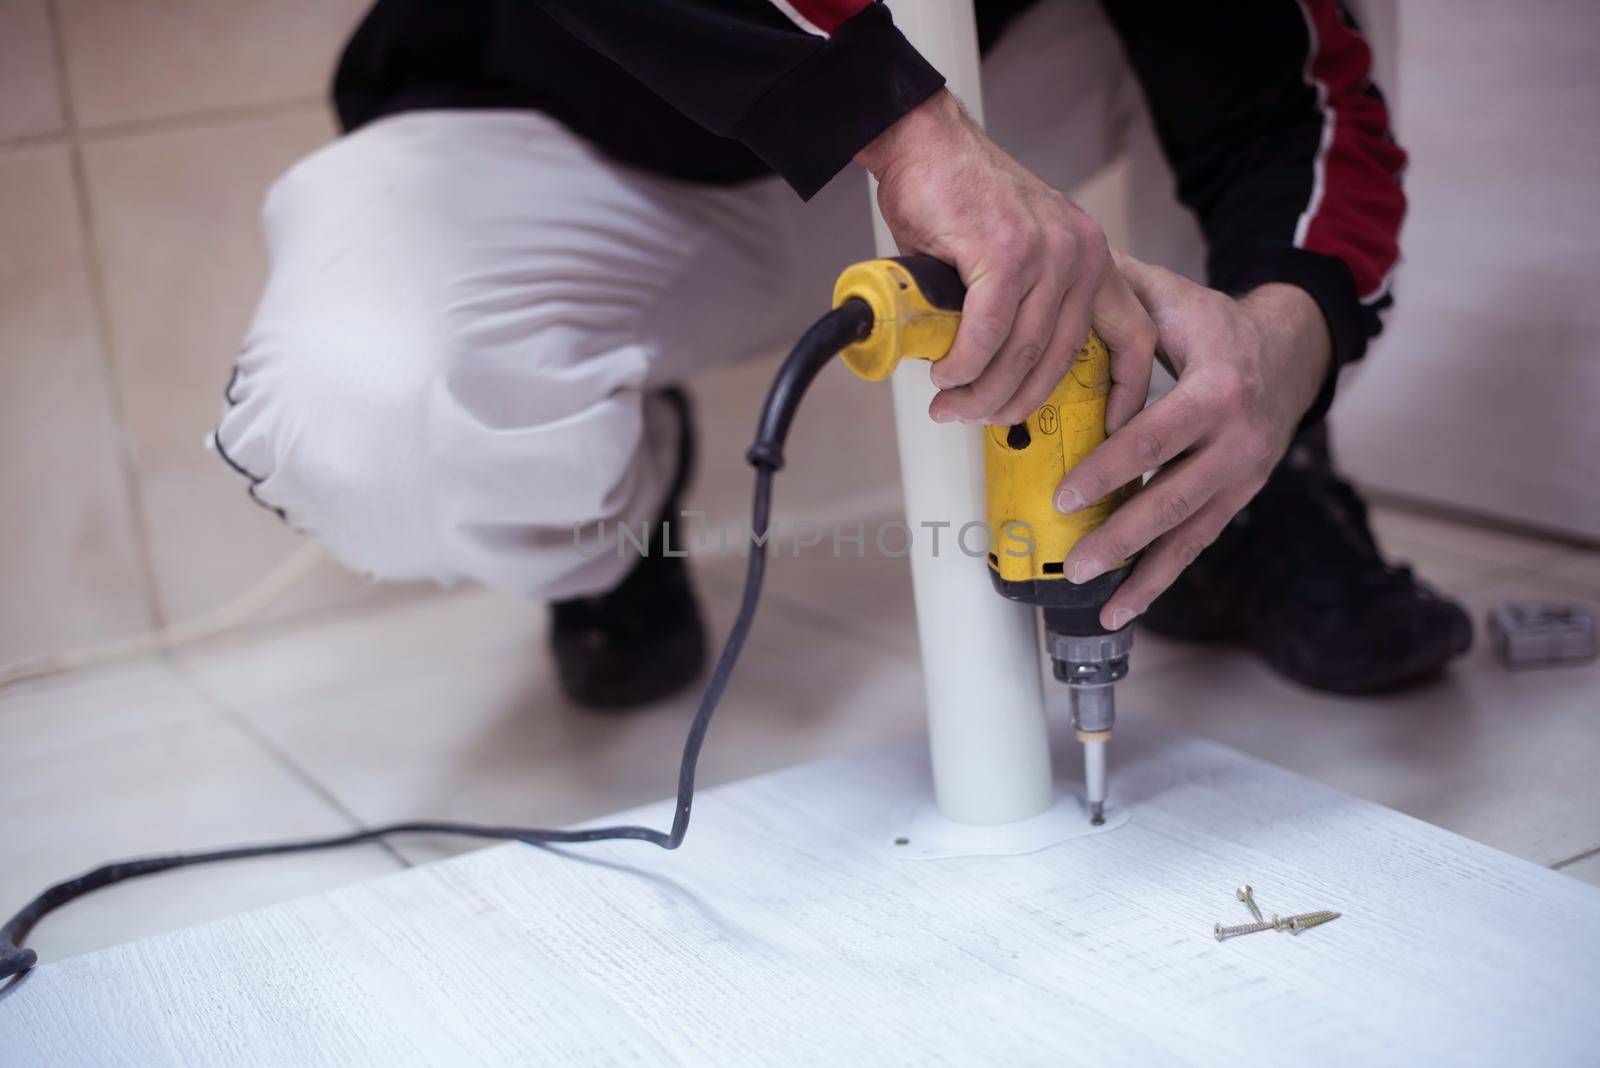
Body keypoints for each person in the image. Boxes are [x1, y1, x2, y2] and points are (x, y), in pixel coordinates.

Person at [212, 0, 1470, 709]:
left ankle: (1234, 487)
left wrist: (1280, 345)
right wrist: (900, 135)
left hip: (987, 83)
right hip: (576, 119)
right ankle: (613, 490)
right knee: (360, 423)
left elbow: (1290, 95)